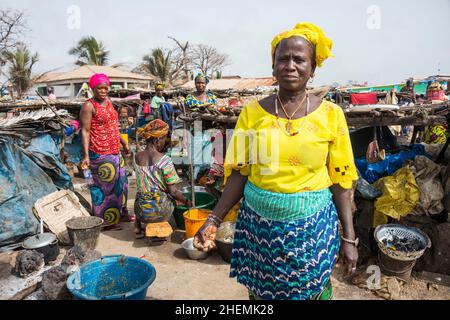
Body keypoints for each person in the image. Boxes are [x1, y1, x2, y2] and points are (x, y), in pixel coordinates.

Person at [193, 22, 359, 300]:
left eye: (299, 59)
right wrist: (213, 219)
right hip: (259, 228)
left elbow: (342, 182)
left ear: (313, 67)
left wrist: (349, 237)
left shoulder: (331, 115)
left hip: (311, 229)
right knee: (261, 294)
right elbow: (240, 174)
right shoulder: (252, 113)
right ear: (273, 67)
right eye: (283, 58)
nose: (290, 65)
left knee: (310, 292)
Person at [80, 73, 132, 226]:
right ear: (93, 88)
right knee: (105, 188)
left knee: (122, 184)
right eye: (99, 88)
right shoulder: (89, 105)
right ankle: (106, 220)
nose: (103, 91)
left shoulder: (108, 102)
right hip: (100, 152)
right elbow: (85, 130)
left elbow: (113, 127)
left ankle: (121, 213)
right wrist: (85, 155)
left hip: (115, 150)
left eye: (105, 88)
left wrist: (124, 142)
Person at [133, 119, 192, 238]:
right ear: (158, 139)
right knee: (172, 197)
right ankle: (159, 221)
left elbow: (143, 183)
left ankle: (137, 225)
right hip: (160, 212)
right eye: (165, 138)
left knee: (141, 190)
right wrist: (187, 202)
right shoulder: (165, 160)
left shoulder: (137, 157)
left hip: (141, 211)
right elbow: (173, 192)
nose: (165, 142)